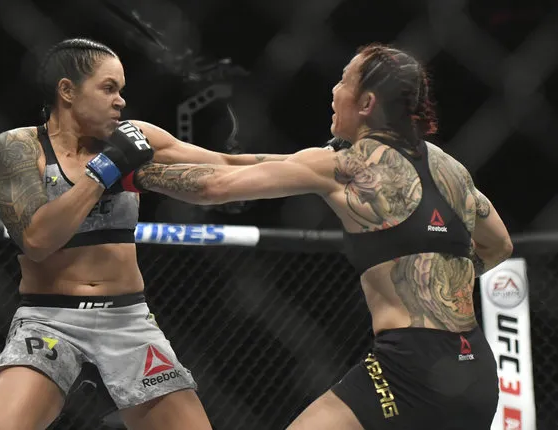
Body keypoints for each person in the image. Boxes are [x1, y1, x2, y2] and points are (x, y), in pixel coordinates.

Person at [132, 42, 513, 429]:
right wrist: (166, 147)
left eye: (343, 79)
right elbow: (499, 246)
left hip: (407, 368)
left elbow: (215, 186)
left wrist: (131, 173)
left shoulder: (348, 165)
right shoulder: (452, 170)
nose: (334, 90)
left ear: (365, 103)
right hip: (475, 371)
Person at [0, 37, 288, 430]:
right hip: (48, 321)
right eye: (108, 88)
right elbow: (37, 241)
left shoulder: (134, 136)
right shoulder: (19, 147)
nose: (120, 100)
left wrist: (322, 165)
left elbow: (225, 164)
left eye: (121, 90)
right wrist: (105, 170)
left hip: (128, 322)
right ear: (67, 91)